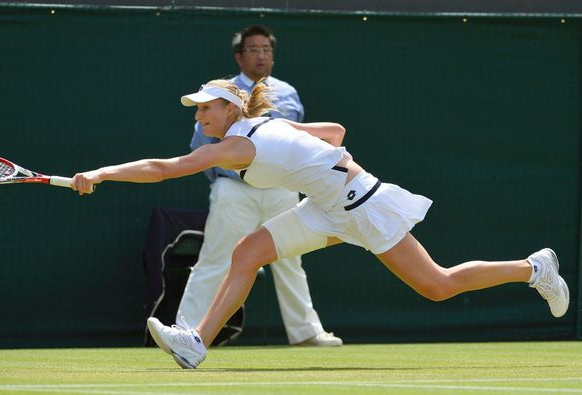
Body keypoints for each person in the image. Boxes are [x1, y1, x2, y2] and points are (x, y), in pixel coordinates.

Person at [71, 79, 570, 370]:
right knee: (247, 252)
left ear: (231, 108)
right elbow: (336, 132)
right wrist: (319, 157)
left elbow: (165, 168)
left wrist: (100, 173)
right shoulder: (269, 126)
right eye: (197, 109)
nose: (200, 115)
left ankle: (532, 268)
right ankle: (197, 343)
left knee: (437, 286)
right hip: (327, 207)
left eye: (206, 107)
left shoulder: (240, 144)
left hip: (361, 206)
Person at [177, 24, 341, 347]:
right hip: (234, 190)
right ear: (240, 57)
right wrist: (232, 176)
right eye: (254, 49)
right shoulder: (219, 93)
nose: (262, 55)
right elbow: (201, 146)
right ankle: (184, 331)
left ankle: (307, 333)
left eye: (267, 49)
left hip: (281, 189)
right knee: (215, 258)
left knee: (290, 261)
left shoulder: (288, 92)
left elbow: (302, 139)